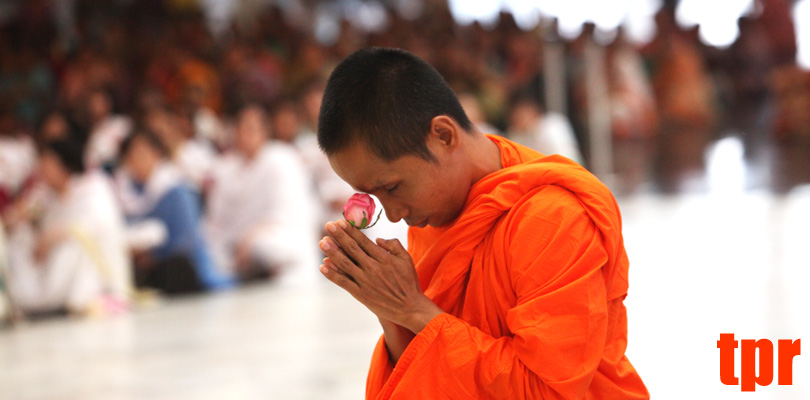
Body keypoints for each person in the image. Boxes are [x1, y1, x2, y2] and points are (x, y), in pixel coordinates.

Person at [316, 48, 648, 399]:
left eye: (393, 187)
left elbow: (547, 392)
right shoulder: (435, 212)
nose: (395, 214)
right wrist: (390, 310)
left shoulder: (553, 218)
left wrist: (412, 309)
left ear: (443, 136)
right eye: (374, 197)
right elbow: (428, 355)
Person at [4, 138, 131, 317]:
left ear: (65, 165)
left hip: (91, 262)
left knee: (73, 246)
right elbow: (11, 220)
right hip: (47, 260)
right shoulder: (46, 195)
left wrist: (53, 237)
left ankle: (63, 301)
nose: (42, 170)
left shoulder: (93, 187)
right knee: (20, 237)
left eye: (48, 164)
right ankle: (27, 300)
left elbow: (97, 226)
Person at [204, 105, 318, 284]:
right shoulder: (226, 169)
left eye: (251, 128)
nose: (245, 135)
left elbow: (288, 212)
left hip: (279, 240)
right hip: (237, 248)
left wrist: (251, 238)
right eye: (241, 129)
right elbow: (217, 222)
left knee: (265, 246)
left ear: (265, 131)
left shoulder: (282, 157)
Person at [114, 128, 232, 294]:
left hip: (173, 261)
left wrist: (154, 256)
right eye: (132, 156)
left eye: (142, 153)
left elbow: (186, 240)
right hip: (141, 264)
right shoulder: (124, 193)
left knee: (178, 268)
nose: (137, 160)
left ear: (156, 154)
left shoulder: (175, 189)